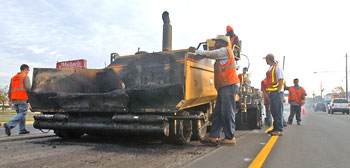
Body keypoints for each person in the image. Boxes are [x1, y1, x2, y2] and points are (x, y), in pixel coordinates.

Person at [189, 35, 240, 145]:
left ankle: (230, 137)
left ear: (222, 42)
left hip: (229, 85)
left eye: (217, 42)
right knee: (218, 112)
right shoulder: (223, 52)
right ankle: (214, 136)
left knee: (227, 111)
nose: (215, 44)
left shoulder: (225, 51)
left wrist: (196, 51)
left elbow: (209, 54)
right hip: (224, 86)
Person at [3, 64, 31, 136]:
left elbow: (10, 90)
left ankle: (22, 130)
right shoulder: (25, 77)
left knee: (20, 114)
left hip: (14, 99)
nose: (28, 72)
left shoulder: (13, 78)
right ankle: (9, 124)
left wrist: (10, 99)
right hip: (22, 98)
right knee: (22, 113)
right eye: (28, 70)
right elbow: (28, 88)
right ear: (25, 69)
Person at [264, 54, 284, 136]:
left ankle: (279, 129)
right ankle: (275, 128)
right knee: (274, 112)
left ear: (269, 59)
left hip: (276, 93)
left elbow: (280, 80)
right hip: (272, 93)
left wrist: (278, 91)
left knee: (277, 111)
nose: (265, 61)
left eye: (266, 59)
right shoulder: (271, 68)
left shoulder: (277, 68)